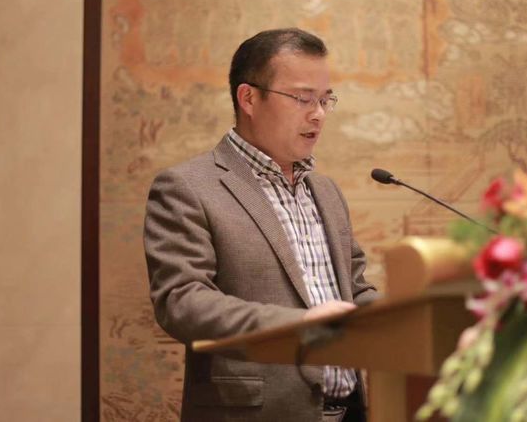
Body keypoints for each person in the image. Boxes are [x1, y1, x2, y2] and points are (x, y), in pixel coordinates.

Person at [144, 28, 378, 422]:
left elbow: (355, 290)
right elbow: (181, 302)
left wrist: (414, 320)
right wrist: (298, 326)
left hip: (351, 412)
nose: (318, 114)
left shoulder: (326, 191)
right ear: (249, 98)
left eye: (325, 100)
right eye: (303, 98)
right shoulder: (187, 187)